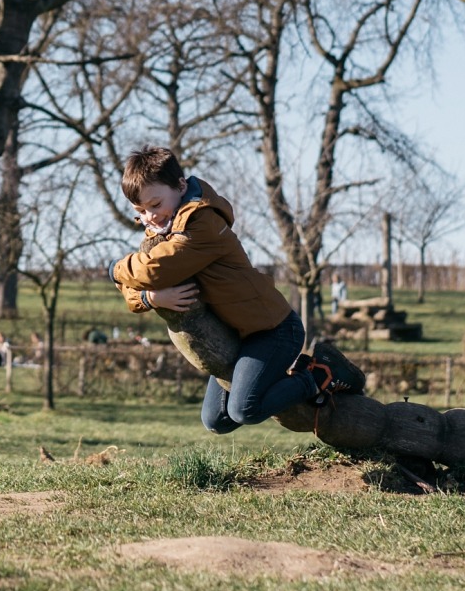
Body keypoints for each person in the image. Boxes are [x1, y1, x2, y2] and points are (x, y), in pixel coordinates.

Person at [112, 146, 364, 433]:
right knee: (216, 420)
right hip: (238, 335)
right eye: (140, 211)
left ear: (181, 185)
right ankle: (287, 382)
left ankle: (319, 374)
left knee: (245, 409)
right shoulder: (162, 230)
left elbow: (150, 271)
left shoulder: (201, 223)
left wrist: (113, 269)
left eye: (155, 205)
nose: (149, 217)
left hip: (273, 329)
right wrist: (149, 297)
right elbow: (137, 280)